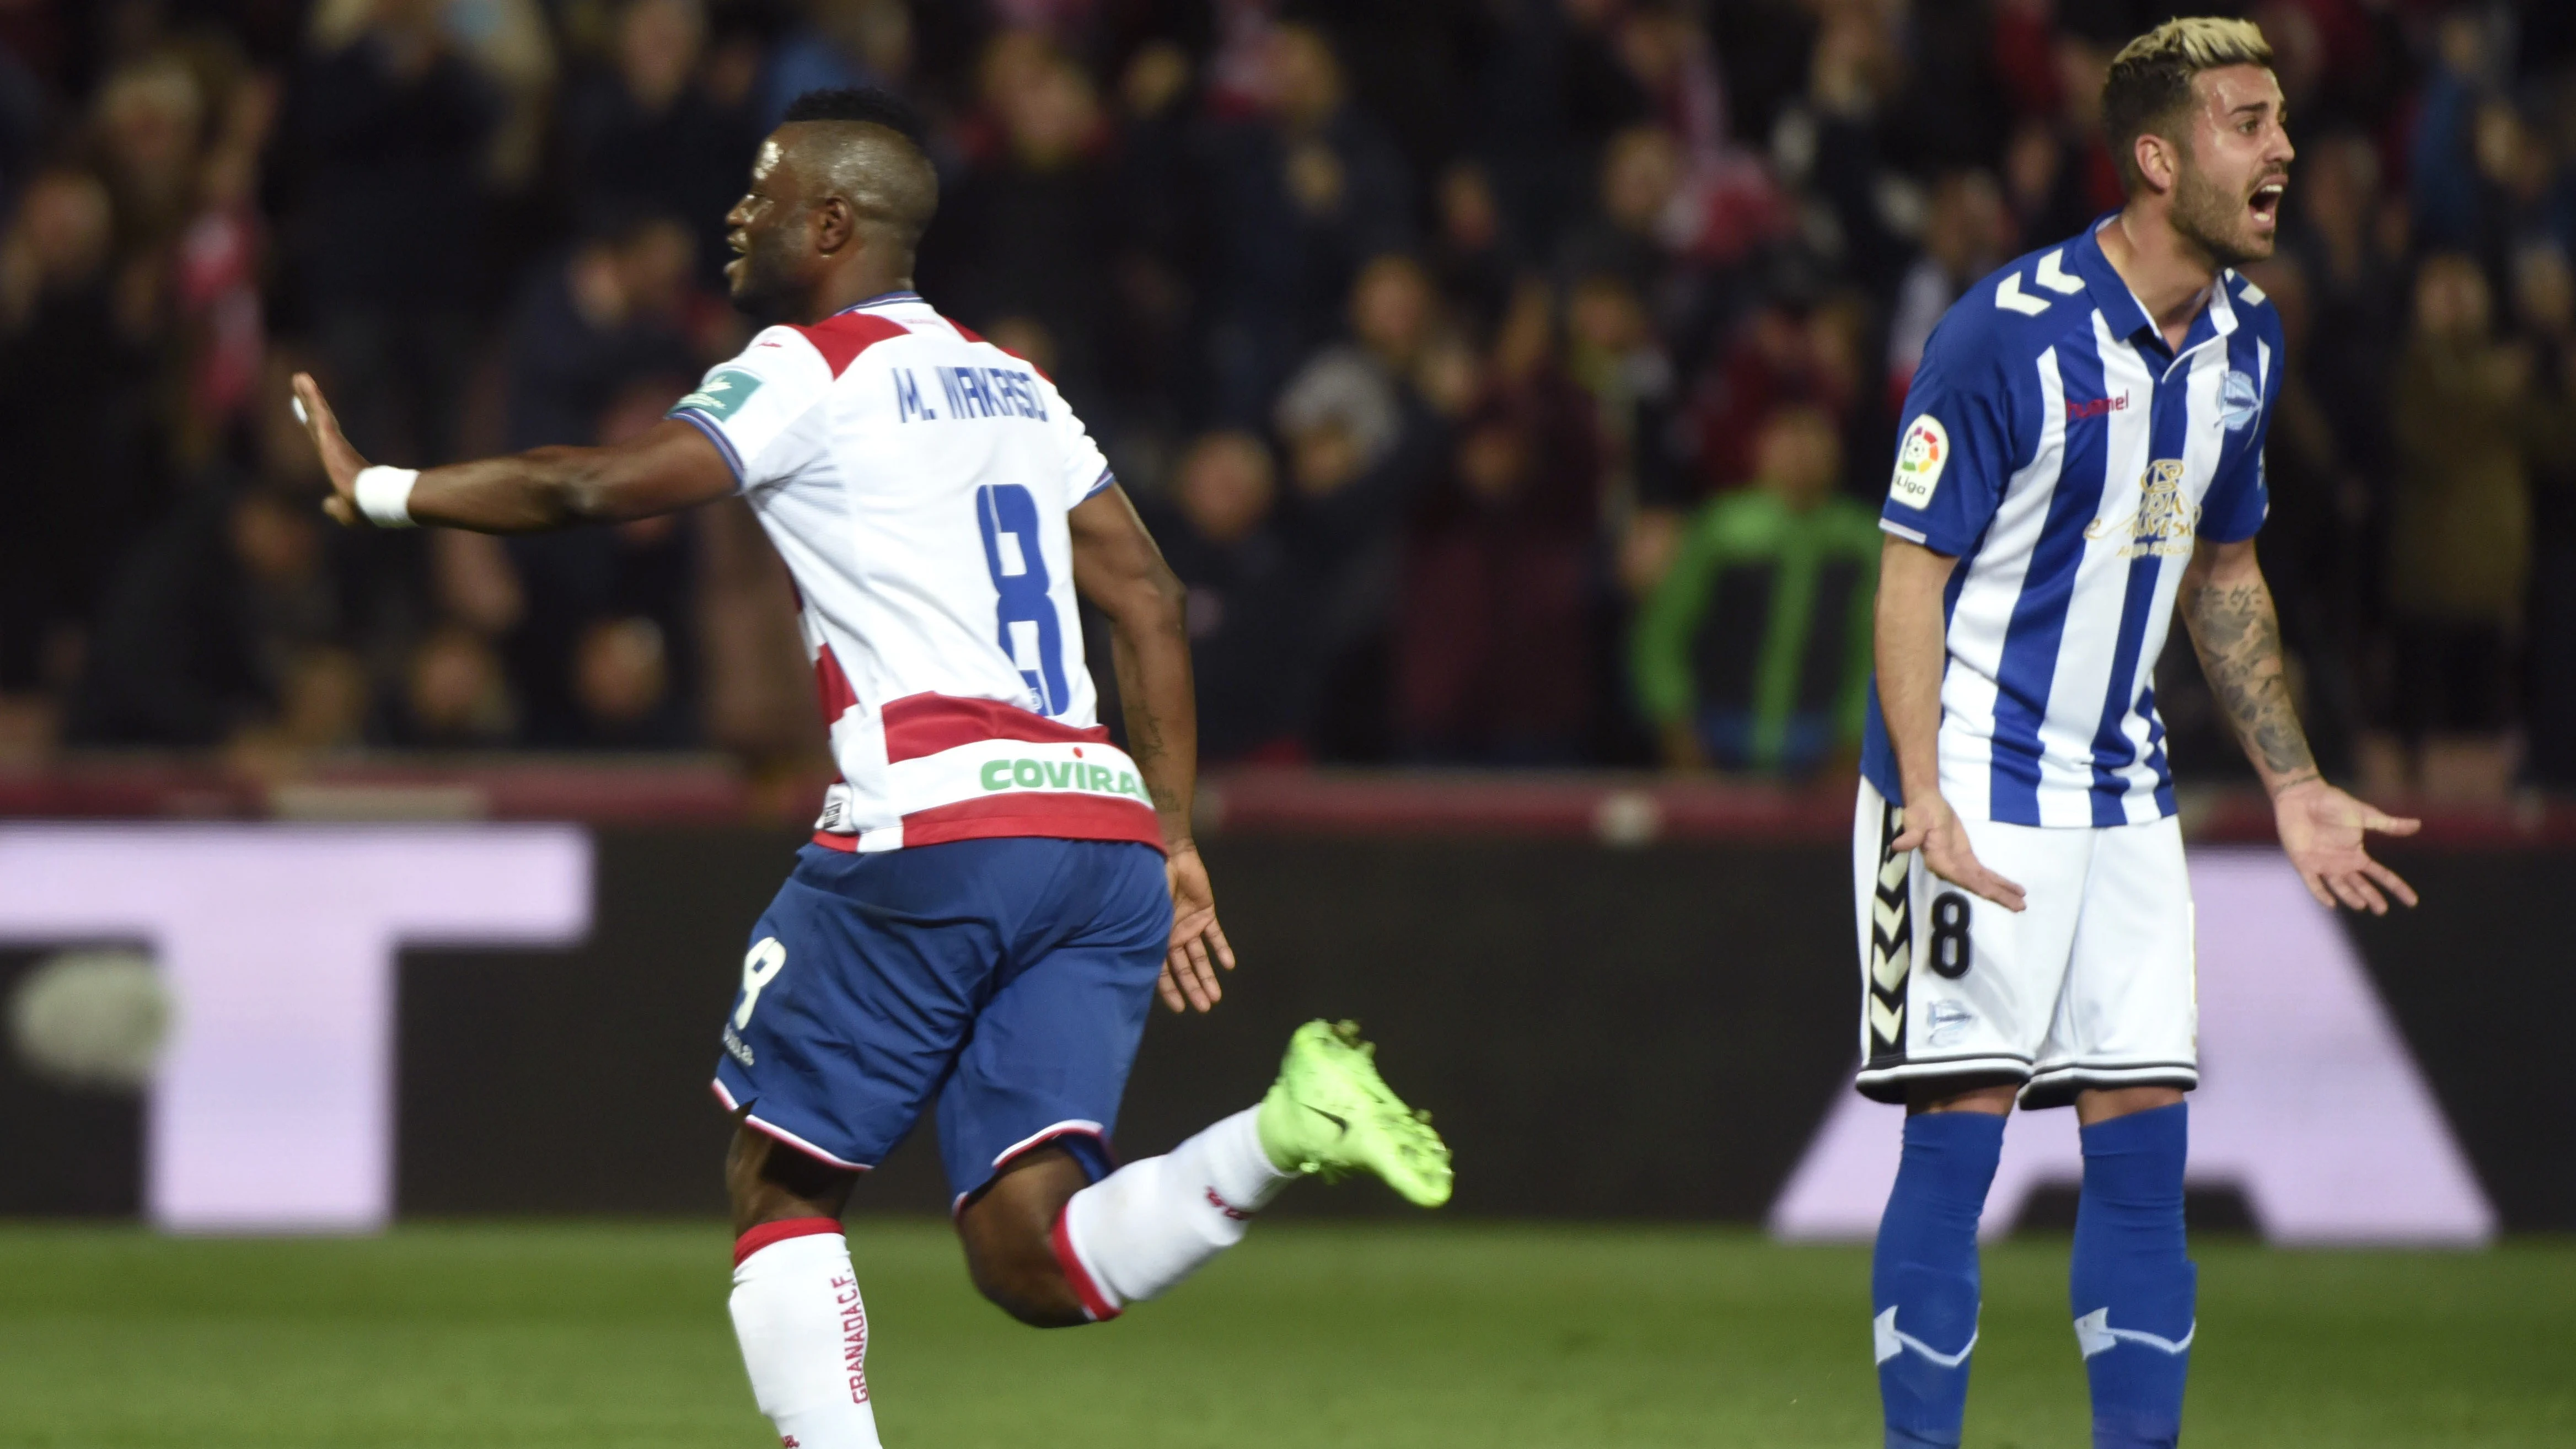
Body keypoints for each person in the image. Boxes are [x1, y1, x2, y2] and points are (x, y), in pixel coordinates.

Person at [288, 87, 1450, 1448]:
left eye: (763, 193)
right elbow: (1145, 594)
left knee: (779, 1186)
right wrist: (1173, 835)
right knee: (1034, 1257)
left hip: (938, 826)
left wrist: (379, 487)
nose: (739, 216)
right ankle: (1281, 1133)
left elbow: (586, 485)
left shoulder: (807, 366)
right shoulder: (1016, 382)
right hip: (1100, 840)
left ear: (831, 222)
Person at [1855, 22, 2417, 1449]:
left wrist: (2292, 781)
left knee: (2146, 1147)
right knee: (1959, 1131)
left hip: (2125, 787)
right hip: (1971, 779)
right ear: (2160, 160)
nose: (2284, 147)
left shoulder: (2247, 341)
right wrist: (1921, 791)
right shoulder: (2004, 332)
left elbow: (2226, 571)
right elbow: (1909, 570)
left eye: (2282, 117)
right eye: (2246, 121)